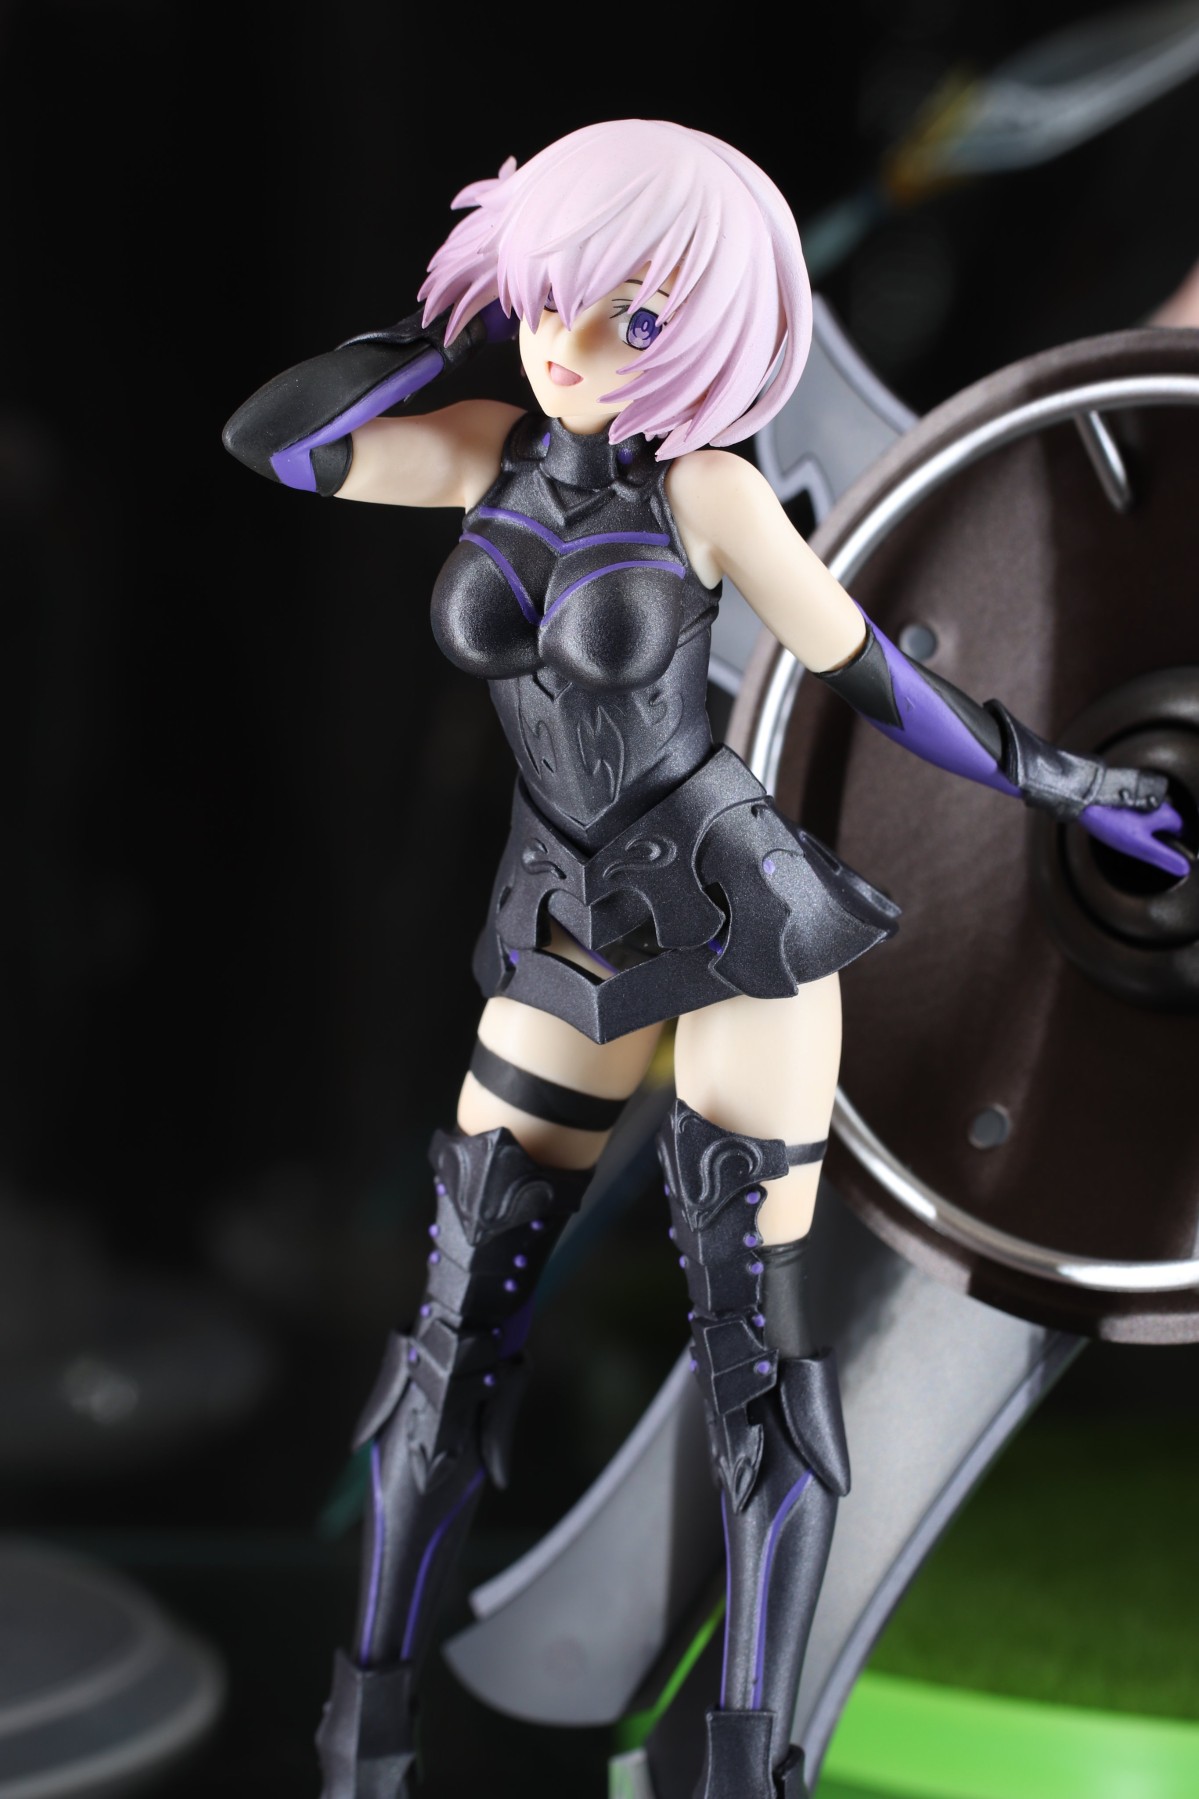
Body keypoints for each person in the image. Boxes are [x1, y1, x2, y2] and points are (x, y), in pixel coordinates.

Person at [223, 119, 1183, 1799]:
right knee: (448, 1344)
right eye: (556, 300)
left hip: (733, 925)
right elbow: (275, 444)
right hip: (560, 928)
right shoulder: (484, 453)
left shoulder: (711, 492)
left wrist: (1069, 782)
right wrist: (451, 325)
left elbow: (874, 678)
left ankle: (748, 1767)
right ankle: (362, 1742)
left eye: (637, 318)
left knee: (755, 1367)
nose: (574, 347)